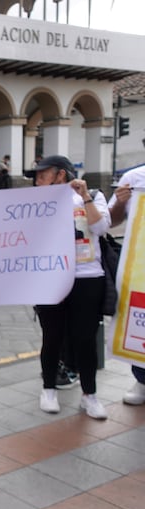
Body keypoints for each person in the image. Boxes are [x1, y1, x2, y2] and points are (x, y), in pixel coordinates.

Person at [28, 155, 110, 420]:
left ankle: (90, 395)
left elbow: (101, 226)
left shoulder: (93, 196)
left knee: (85, 339)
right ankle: (49, 389)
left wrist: (85, 196)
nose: (37, 180)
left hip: (87, 277)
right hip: (50, 277)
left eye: (42, 175)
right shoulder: (34, 203)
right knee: (51, 337)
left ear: (60, 174)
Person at [108, 164, 145, 405]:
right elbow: (111, 221)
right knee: (139, 321)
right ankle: (142, 380)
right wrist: (121, 202)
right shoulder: (134, 177)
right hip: (140, 266)